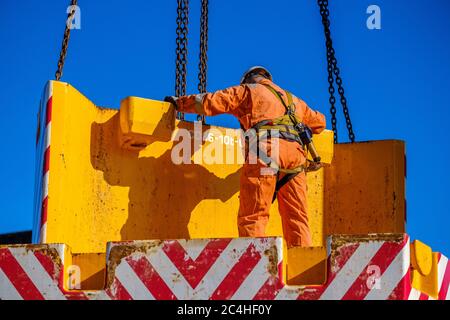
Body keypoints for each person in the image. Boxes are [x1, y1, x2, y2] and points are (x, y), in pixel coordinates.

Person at [166, 66, 326, 247]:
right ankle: (302, 267)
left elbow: (210, 102)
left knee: (253, 216)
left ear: (248, 79)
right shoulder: (293, 100)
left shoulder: (248, 91)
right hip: (296, 160)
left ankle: (256, 265)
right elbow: (320, 122)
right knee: (297, 219)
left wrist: (179, 103)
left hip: (266, 153)